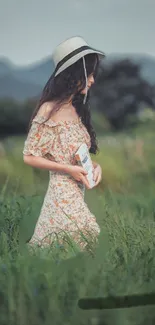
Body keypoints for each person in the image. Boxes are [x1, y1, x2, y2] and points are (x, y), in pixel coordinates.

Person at [23, 36, 105, 251]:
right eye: (89, 74)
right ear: (74, 75)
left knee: (67, 252)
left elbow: (78, 154)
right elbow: (29, 156)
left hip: (78, 191)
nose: (93, 80)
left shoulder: (77, 109)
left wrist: (95, 167)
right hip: (61, 194)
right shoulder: (48, 110)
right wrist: (67, 169)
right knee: (80, 241)